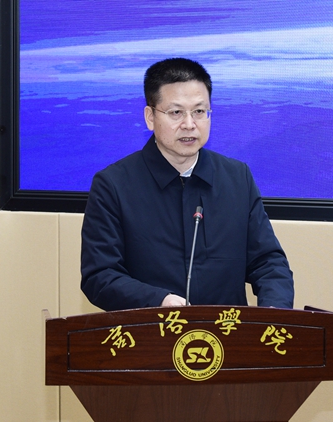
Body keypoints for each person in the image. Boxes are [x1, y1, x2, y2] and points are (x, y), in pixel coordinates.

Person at [80, 58, 294, 311]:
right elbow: (100, 275)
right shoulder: (113, 185)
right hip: (153, 330)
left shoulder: (237, 178)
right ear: (150, 117)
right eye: (176, 112)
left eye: (199, 112)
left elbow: (268, 262)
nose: (189, 124)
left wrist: (273, 312)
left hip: (227, 332)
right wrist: (159, 300)